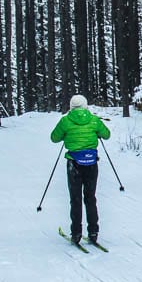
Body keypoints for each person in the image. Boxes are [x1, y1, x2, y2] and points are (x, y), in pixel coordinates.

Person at [50, 94, 110, 245]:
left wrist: (66, 135)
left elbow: (54, 138)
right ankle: (93, 231)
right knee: (90, 198)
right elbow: (106, 135)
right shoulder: (94, 120)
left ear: (71, 106)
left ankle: (76, 233)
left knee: (75, 199)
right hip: (91, 163)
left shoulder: (65, 121)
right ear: (85, 105)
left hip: (74, 163)